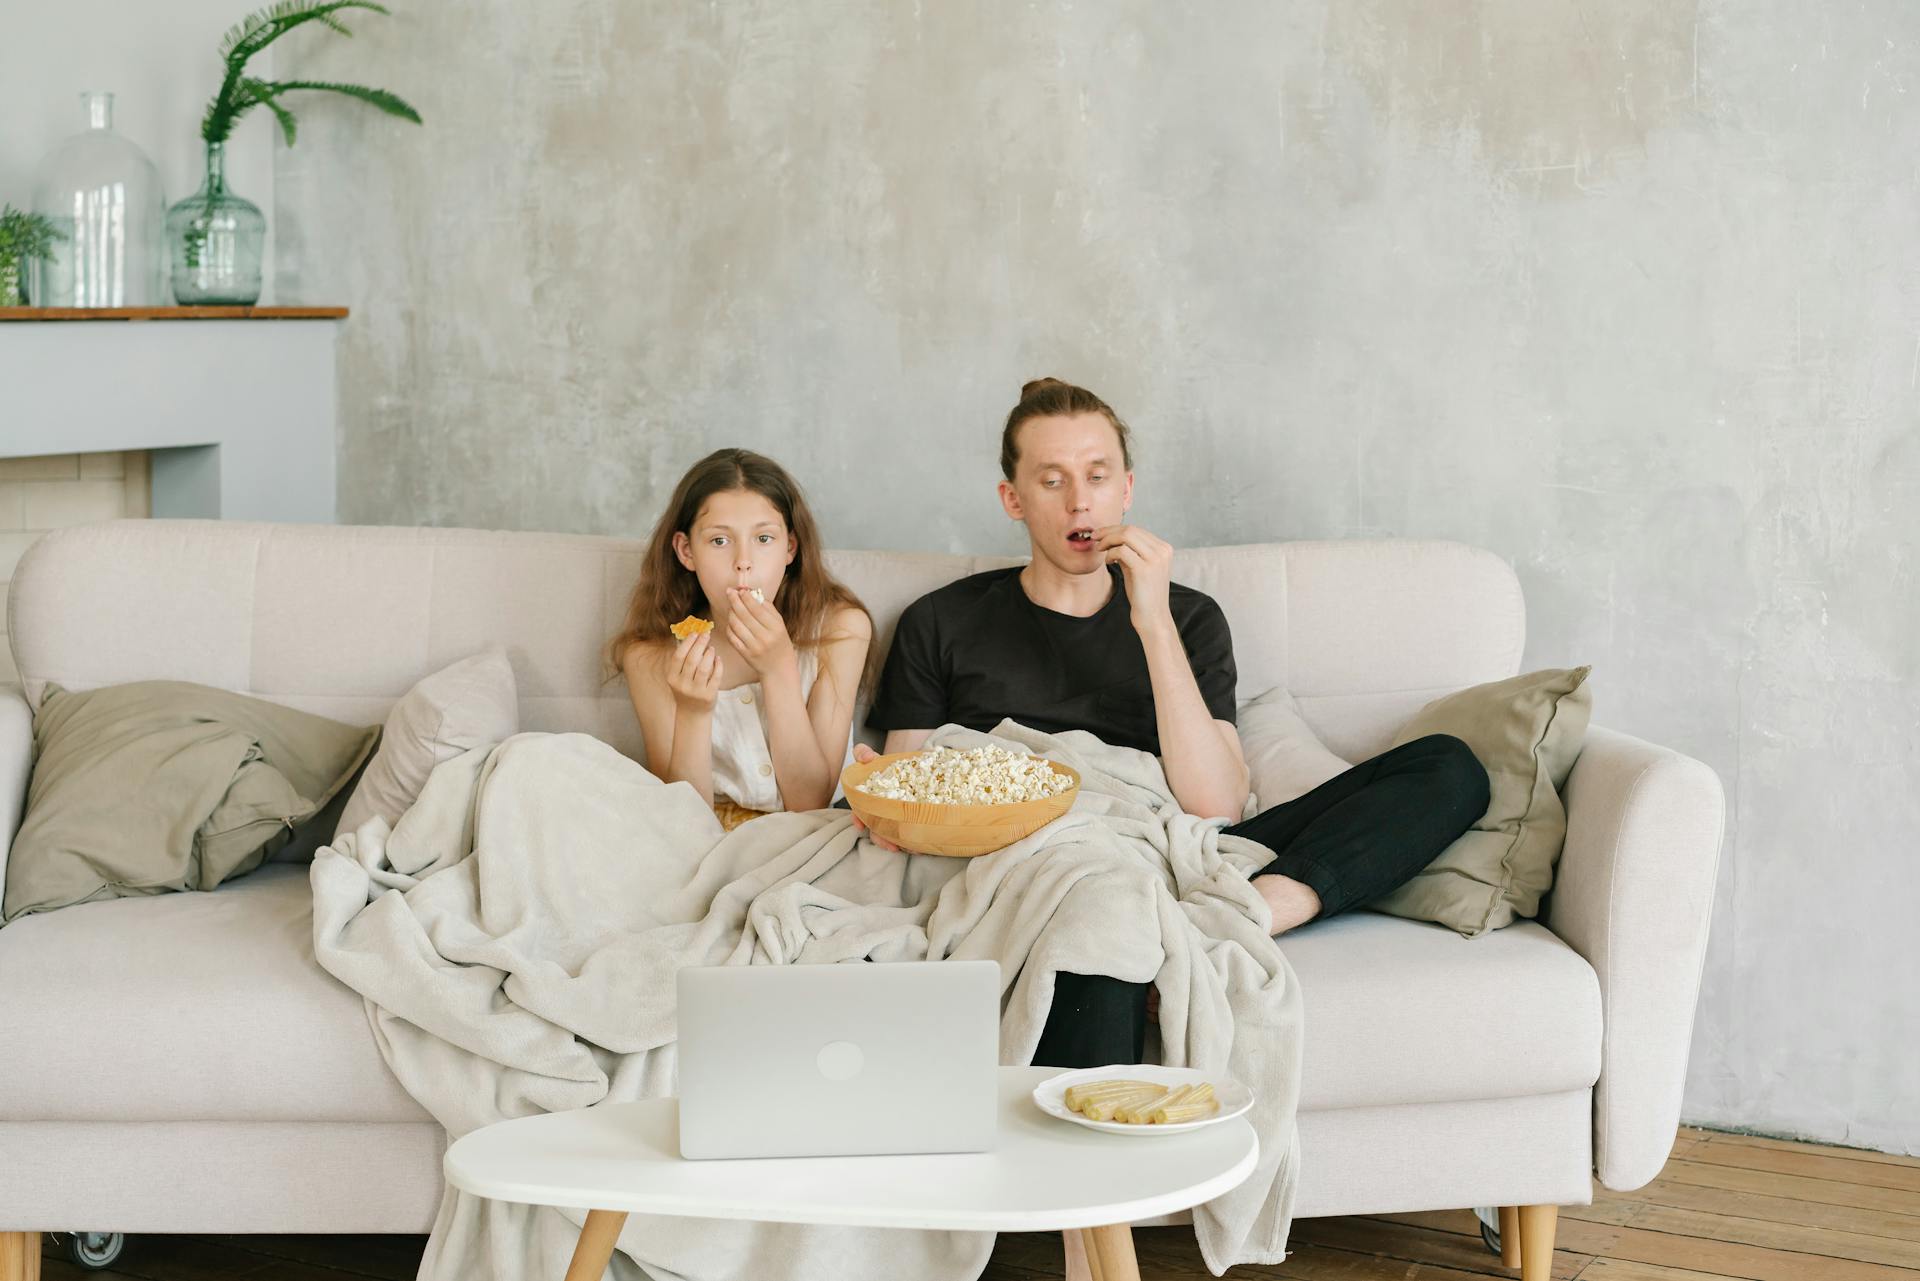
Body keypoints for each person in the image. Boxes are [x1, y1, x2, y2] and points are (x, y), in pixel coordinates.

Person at [858, 377, 1490, 1060]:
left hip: (1183, 852)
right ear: (1013, 498)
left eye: (1097, 476)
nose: (1080, 500)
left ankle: (1242, 914)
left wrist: (1151, 620)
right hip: (1039, 857)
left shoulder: (1186, 616)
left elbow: (1214, 800)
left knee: (1450, 767)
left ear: (1125, 488)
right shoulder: (940, 621)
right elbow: (911, 786)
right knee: (1103, 910)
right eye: (1052, 480)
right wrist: (885, 802)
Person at [611, 448, 874, 830]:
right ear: (687, 552)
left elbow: (811, 802)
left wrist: (779, 669)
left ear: (790, 548)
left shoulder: (841, 630)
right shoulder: (651, 656)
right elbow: (681, 821)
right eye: (720, 541)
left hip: (812, 833)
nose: (743, 561)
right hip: (705, 838)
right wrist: (693, 711)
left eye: (764, 538)